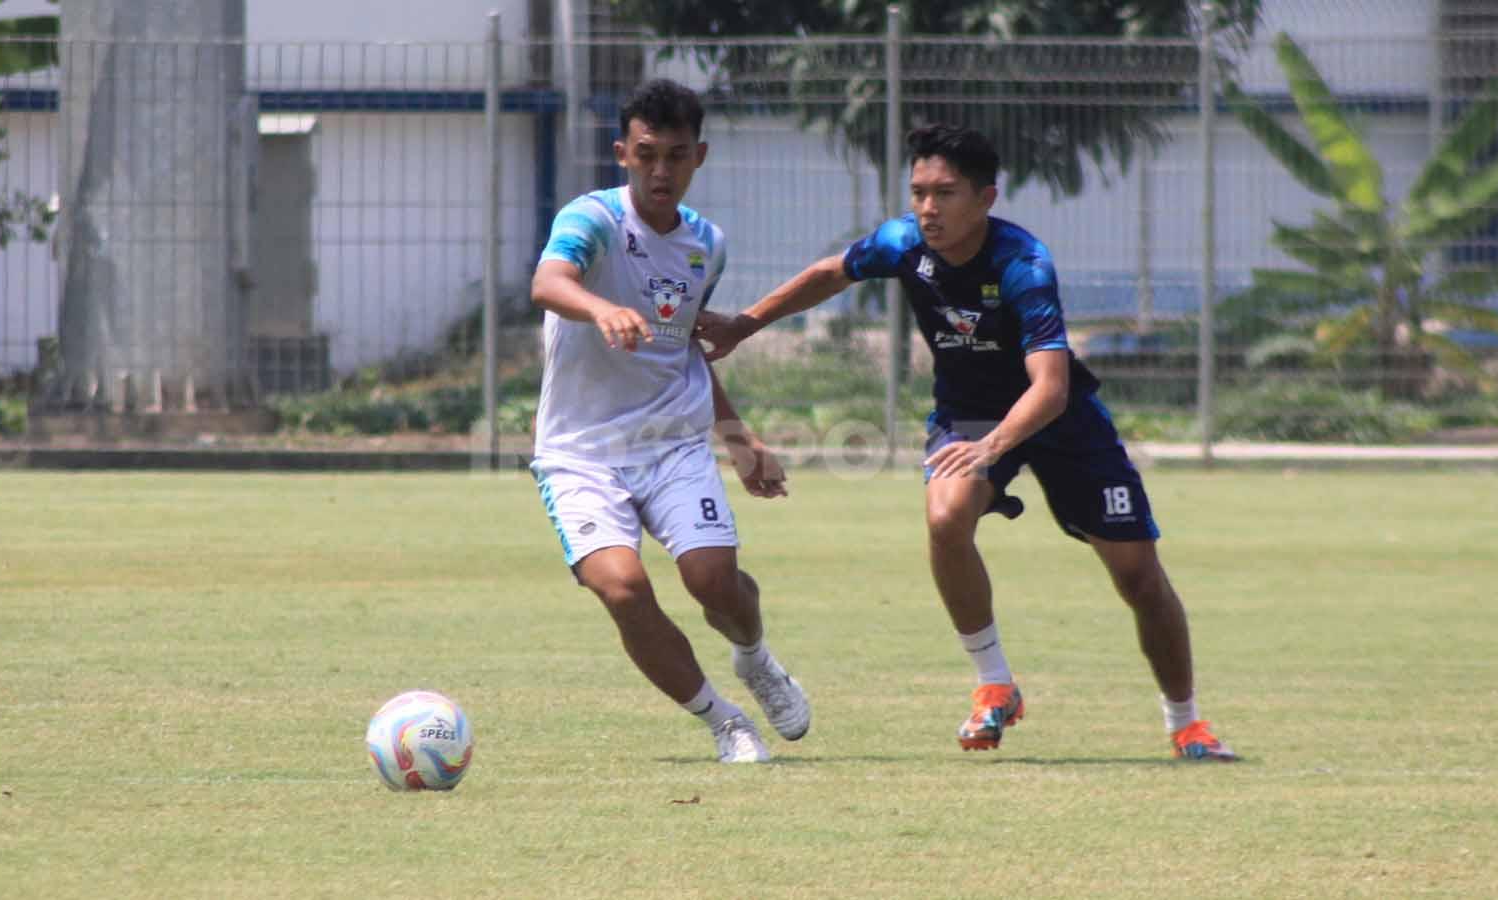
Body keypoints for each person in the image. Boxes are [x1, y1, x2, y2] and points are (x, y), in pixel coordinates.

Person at [698, 123, 1235, 761]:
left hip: (1059, 421)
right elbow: (830, 273)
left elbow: (1052, 387)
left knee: (1139, 577)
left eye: (945, 193)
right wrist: (745, 323)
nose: (928, 207)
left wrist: (994, 448)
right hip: (969, 415)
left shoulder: (1022, 264)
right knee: (947, 515)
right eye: (919, 191)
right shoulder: (903, 243)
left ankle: (1187, 723)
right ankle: (995, 685)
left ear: (985, 199)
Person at [527, 78, 809, 763]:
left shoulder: (706, 244)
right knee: (622, 587)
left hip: (672, 443)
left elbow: (684, 343)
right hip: (580, 453)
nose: (661, 171)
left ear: (699, 157)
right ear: (623, 152)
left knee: (714, 581)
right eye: (647, 154)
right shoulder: (591, 219)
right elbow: (547, 282)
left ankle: (755, 657)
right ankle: (725, 722)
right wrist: (598, 309)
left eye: (676, 156)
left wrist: (740, 439)